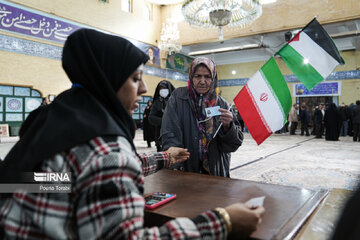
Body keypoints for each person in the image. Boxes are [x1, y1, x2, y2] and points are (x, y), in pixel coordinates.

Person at [0, 29, 264, 239]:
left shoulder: (55, 119)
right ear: (110, 80)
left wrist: (163, 158)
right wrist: (223, 222)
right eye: (136, 78)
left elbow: (50, 181)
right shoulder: (105, 147)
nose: (144, 89)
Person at [161, 57, 244, 177]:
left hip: (215, 171)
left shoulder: (222, 105)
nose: (202, 81)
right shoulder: (178, 98)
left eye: (207, 77)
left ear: (213, 78)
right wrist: (176, 163)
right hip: (185, 169)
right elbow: (169, 131)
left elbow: (232, 146)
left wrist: (228, 127)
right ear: (191, 77)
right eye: (197, 76)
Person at [148, 80, 175, 151]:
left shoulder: (175, 101)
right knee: (161, 158)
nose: (163, 91)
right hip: (160, 135)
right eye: (161, 89)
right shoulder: (157, 102)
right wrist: (164, 121)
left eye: (164, 89)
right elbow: (151, 118)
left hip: (174, 135)